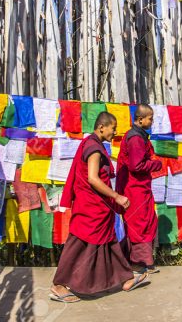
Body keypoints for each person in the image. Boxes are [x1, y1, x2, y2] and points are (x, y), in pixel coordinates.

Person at [50, 112, 148, 303]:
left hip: (97, 206)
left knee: (109, 241)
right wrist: (116, 196)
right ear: (102, 127)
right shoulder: (94, 148)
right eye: (113, 127)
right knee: (77, 244)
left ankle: (126, 278)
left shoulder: (91, 144)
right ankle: (58, 285)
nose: (115, 131)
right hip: (90, 206)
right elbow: (93, 179)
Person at [116, 104, 163, 273]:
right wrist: (156, 164)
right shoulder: (135, 138)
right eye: (150, 118)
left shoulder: (139, 136)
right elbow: (136, 165)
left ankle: (141, 261)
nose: (152, 121)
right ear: (140, 119)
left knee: (148, 220)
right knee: (139, 223)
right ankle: (138, 263)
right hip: (133, 188)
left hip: (140, 187)